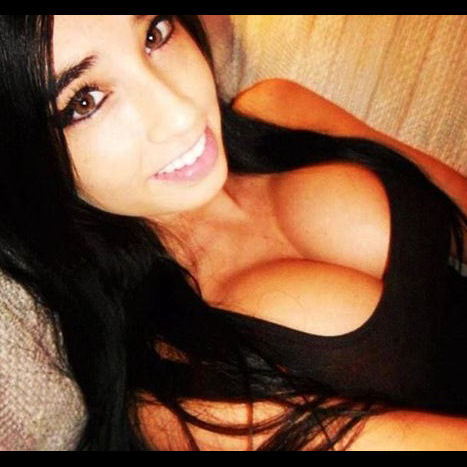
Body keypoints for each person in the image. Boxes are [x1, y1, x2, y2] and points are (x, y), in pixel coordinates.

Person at [0, 14, 466, 451]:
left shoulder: (278, 106)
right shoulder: (182, 402)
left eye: (154, 34)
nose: (181, 113)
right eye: (85, 100)